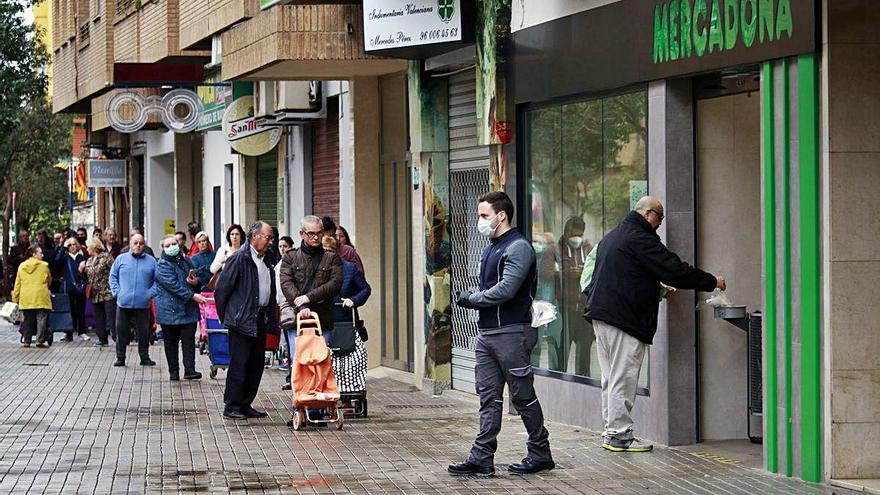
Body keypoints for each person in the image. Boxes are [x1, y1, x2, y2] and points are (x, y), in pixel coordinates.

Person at [583, 196, 726, 453]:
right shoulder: (640, 238)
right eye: (659, 218)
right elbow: (674, 270)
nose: (660, 224)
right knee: (622, 378)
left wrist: (658, 291)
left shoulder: (616, 235)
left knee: (611, 378)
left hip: (603, 315)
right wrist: (711, 281)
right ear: (648, 214)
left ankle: (612, 431)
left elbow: (628, 275)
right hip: (623, 318)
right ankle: (619, 435)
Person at [450, 191, 553, 477]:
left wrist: (473, 298)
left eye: (484, 216)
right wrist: (476, 298)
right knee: (488, 397)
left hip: (512, 332)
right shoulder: (492, 247)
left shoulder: (517, 247)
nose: (480, 221)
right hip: (488, 333)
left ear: (501, 215)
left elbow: (507, 290)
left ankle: (540, 452)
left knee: (522, 397)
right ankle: (482, 458)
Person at [214, 221, 278, 420]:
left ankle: (245, 403)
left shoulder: (266, 259)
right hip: (241, 320)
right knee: (239, 363)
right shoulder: (239, 258)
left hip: (259, 318)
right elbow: (222, 290)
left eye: (271, 238)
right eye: (268, 238)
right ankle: (232, 405)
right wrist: (228, 317)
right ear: (254, 237)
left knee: (256, 364)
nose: (271, 242)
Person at [279, 216, 344, 389]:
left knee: (321, 364)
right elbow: (286, 283)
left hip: (323, 320)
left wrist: (309, 298)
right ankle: (300, 407)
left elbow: (335, 284)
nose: (315, 237)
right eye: (310, 234)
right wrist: (302, 306)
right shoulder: (290, 258)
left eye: (318, 233)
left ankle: (320, 405)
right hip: (297, 320)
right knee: (299, 364)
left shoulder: (332, 258)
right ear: (302, 234)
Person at [538, 216, 594, 376]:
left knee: (584, 357)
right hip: (563, 312)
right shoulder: (554, 250)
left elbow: (597, 271)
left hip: (584, 311)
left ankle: (584, 386)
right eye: (573, 235)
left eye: (580, 235)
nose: (577, 239)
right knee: (560, 354)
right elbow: (545, 275)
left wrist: (584, 272)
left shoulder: (588, 249)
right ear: (566, 232)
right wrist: (566, 274)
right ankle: (557, 383)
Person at [153, 235, 207, 381]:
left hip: (187, 308)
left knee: (188, 339)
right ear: (163, 248)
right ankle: (174, 372)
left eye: (174, 244)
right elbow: (173, 286)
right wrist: (193, 296)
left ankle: (190, 370)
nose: (172, 247)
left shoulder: (185, 260)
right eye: (167, 245)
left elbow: (195, 278)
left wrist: (195, 282)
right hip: (169, 309)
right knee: (171, 341)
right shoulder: (162, 265)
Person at [110, 233, 158, 367]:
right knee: (121, 332)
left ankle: (145, 357)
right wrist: (117, 293)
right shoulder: (120, 259)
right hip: (123, 303)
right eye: (135, 243)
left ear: (144, 245)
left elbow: (158, 280)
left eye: (141, 243)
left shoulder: (151, 261)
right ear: (130, 245)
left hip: (143, 304)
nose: (138, 245)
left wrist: (150, 294)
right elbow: (112, 277)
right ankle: (120, 358)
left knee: (144, 333)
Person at [12, 245, 52, 348]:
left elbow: (18, 283)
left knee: (28, 320)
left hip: (26, 297)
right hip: (40, 295)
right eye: (40, 253)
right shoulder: (44, 266)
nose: (42, 255)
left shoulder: (22, 266)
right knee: (41, 319)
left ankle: (27, 340)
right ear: (33, 254)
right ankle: (40, 340)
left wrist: (15, 298)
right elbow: (49, 280)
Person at [82, 238, 116, 347]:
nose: (87, 249)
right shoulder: (89, 260)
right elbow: (86, 278)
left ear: (95, 247)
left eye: (88, 247)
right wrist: (81, 270)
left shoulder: (106, 257)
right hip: (95, 293)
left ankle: (117, 337)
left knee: (112, 316)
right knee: (98, 317)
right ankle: (102, 338)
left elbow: (115, 272)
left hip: (107, 292)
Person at [57, 237, 87, 341]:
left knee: (81, 310)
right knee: (69, 311)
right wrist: (63, 247)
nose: (72, 247)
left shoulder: (82, 257)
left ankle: (82, 331)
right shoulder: (65, 257)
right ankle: (68, 333)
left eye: (74, 244)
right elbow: (57, 260)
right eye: (70, 245)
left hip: (79, 287)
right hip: (68, 287)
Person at [274, 236, 295, 383]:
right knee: (287, 338)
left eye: (285, 246)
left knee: (292, 339)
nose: (282, 249)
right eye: (280, 246)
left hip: (292, 305)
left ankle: (293, 371)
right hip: (282, 306)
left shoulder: (293, 262)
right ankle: (290, 369)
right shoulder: (278, 265)